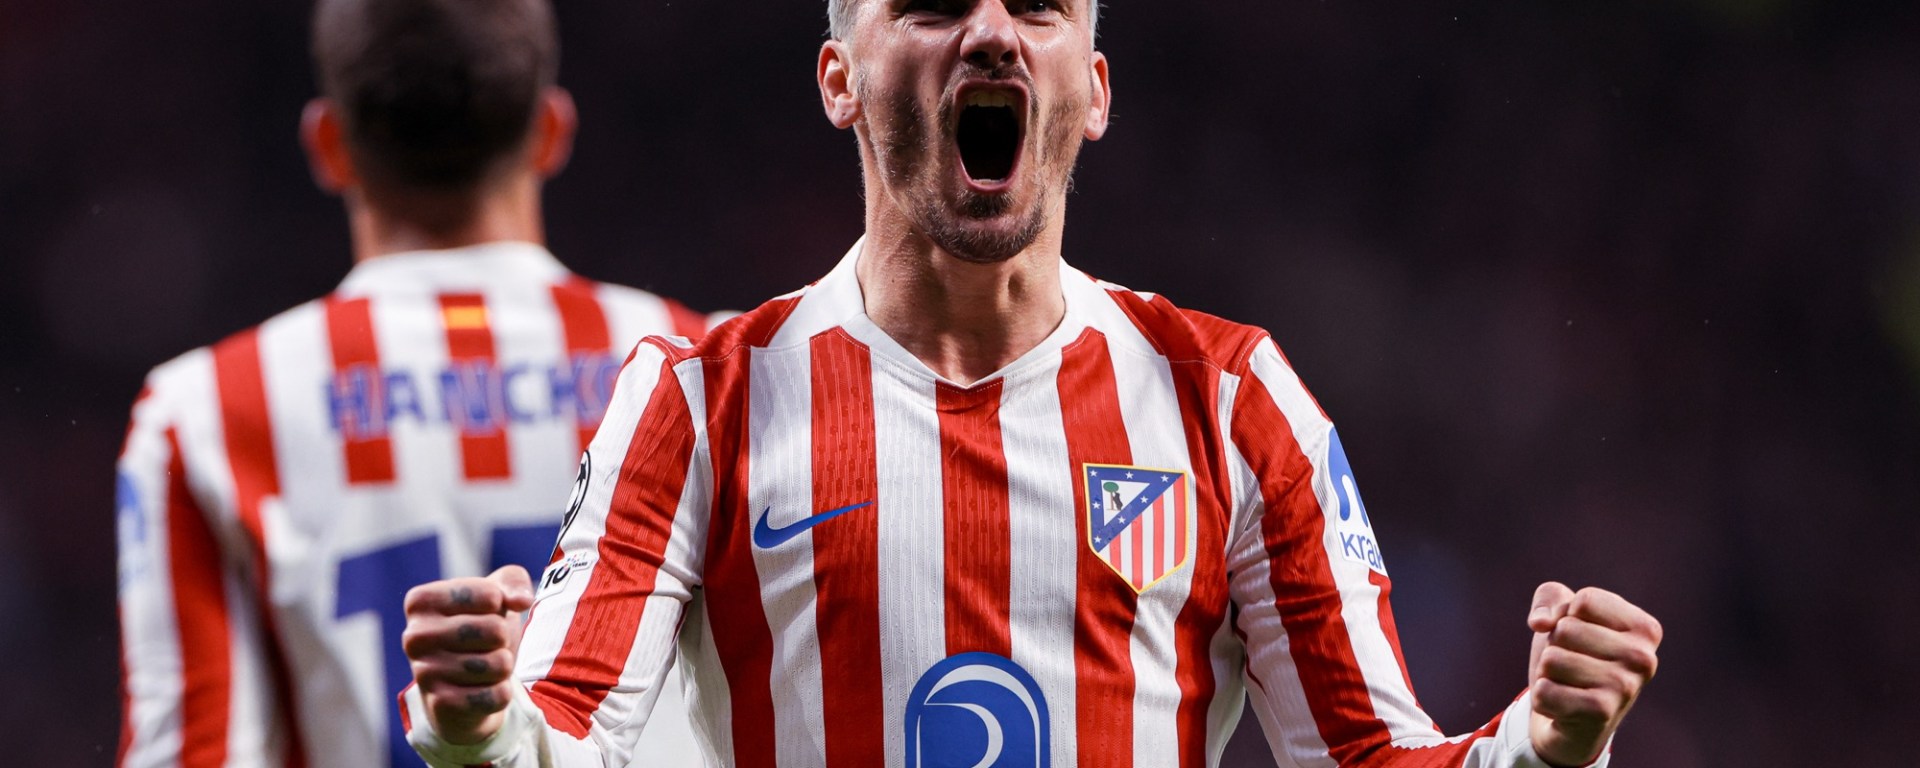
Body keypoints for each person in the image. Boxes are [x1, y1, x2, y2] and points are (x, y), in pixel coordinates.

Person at [397, 1, 1664, 766]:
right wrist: (476, 726)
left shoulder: (1231, 398)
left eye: (1041, 8)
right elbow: (563, 733)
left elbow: (1373, 758)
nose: (994, 30)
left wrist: (1545, 744)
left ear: (1093, 93)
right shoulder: (698, 401)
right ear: (840, 79)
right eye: (934, 4)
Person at [111, 0, 711, 765]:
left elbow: (191, 754)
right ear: (551, 131)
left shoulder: (206, 413)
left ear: (328, 144)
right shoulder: (708, 363)